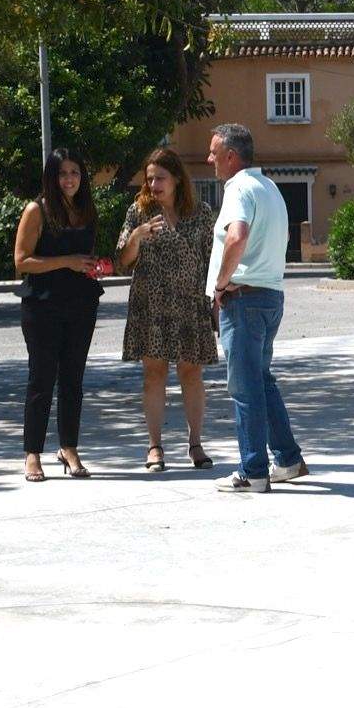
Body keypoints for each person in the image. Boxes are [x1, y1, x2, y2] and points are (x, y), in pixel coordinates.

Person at [205, 123, 308, 494]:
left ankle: (253, 472)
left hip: (243, 299)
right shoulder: (269, 187)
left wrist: (219, 284)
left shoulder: (239, 188)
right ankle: (287, 459)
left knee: (245, 388)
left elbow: (237, 235)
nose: (209, 159)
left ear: (231, 156)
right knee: (262, 381)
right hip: (269, 297)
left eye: (214, 152)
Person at [116, 147, 218, 472]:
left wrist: (215, 303)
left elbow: (212, 259)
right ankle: (154, 446)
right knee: (154, 374)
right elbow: (123, 261)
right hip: (152, 305)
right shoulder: (139, 211)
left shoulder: (200, 213)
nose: (154, 185)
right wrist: (136, 237)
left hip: (190, 305)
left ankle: (196, 444)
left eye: (160, 178)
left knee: (191, 373)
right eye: (149, 179)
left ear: (176, 178)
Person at [13, 148, 107, 483]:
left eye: (75, 173)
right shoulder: (36, 210)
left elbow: (84, 256)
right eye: (62, 173)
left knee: (73, 381)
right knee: (41, 380)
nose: (69, 179)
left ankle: (69, 448)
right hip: (42, 305)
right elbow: (22, 261)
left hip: (81, 303)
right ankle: (32, 454)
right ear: (52, 177)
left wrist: (95, 266)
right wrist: (66, 261)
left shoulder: (86, 209)